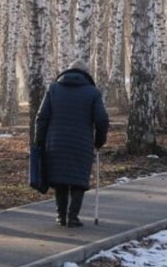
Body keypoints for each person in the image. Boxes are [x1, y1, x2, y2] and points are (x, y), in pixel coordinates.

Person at [34, 60, 110, 228]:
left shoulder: (53, 89)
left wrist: (39, 141)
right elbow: (102, 120)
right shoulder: (92, 92)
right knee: (78, 179)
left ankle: (61, 217)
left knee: (60, 178)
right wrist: (99, 141)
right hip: (81, 144)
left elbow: (41, 118)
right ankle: (72, 217)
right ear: (86, 74)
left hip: (55, 143)